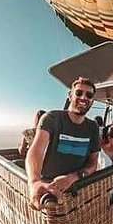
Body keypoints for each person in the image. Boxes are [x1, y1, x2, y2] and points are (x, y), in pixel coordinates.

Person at [26, 77, 100, 209]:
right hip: (50, 188)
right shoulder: (52, 119)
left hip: (77, 190)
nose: (83, 97)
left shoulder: (93, 127)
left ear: (92, 101)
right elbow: (36, 150)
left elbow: (93, 163)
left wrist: (72, 177)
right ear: (70, 96)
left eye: (89, 95)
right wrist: (35, 182)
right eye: (79, 93)